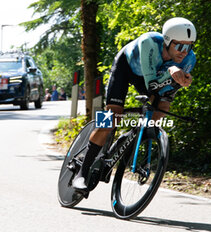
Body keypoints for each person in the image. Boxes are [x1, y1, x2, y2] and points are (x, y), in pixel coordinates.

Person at [72, 17, 197, 190]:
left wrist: (179, 82)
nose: (184, 52)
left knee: (161, 110)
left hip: (155, 77)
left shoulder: (190, 59)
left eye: (188, 46)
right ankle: (82, 172)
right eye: (180, 46)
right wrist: (171, 72)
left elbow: (166, 92)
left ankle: (133, 136)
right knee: (111, 116)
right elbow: (151, 85)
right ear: (167, 41)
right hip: (127, 67)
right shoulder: (149, 42)